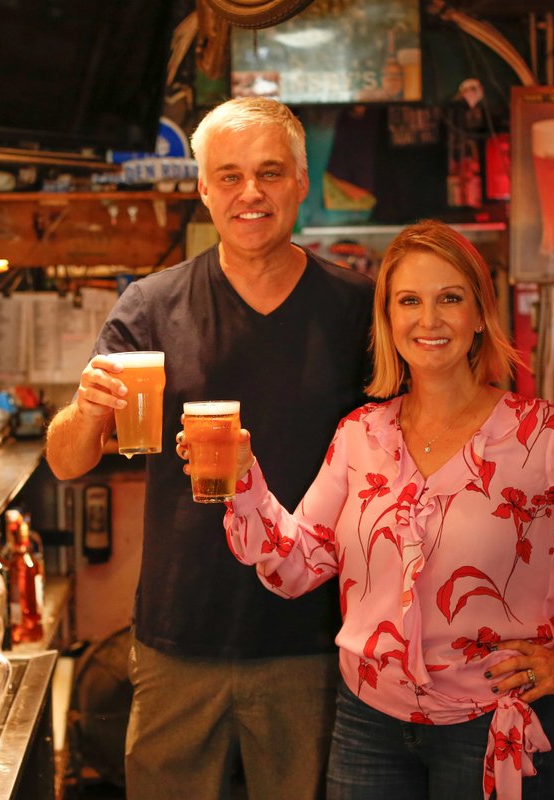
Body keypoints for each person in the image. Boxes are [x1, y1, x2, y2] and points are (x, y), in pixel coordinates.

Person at [189, 220, 554, 800]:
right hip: (367, 722)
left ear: (479, 315)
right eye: (410, 301)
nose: (428, 320)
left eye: (449, 298)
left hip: (490, 726)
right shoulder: (361, 434)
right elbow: (296, 567)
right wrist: (242, 478)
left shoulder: (545, 438)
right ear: (389, 319)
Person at [45, 97, 375, 799]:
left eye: (269, 173)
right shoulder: (151, 306)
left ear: (300, 182)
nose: (249, 192)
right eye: (228, 176)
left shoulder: (356, 310)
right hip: (178, 634)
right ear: (202, 189)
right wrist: (86, 408)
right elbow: (68, 460)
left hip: (312, 637)